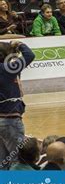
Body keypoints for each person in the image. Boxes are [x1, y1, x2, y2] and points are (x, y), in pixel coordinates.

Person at [0, 41, 35, 170]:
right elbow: (29, 55)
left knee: (3, 160)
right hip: (9, 120)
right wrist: (19, 44)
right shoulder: (7, 69)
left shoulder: (8, 69)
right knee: (18, 159)